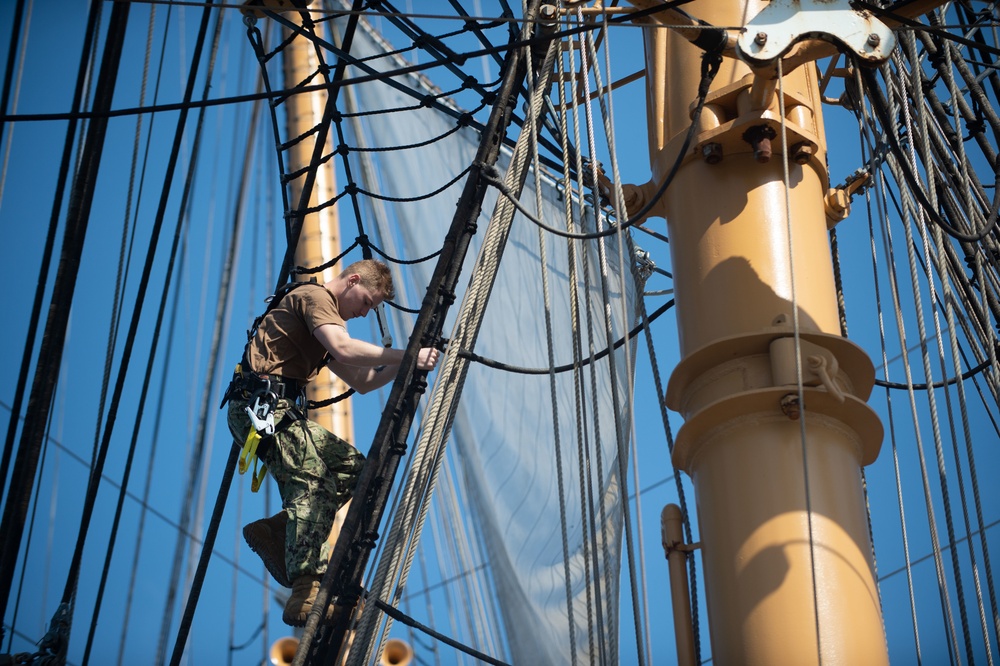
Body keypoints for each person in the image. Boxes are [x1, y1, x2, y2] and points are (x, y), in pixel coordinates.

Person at [224, 259, 440, 626]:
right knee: (314, 482)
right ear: (353, 280)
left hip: (278, 412)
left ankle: (282, 531)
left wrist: (412, 364)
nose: (365, 312)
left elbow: (365, 380)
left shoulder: (322, 323)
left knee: (356, 471)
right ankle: (304, 595)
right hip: (258, 408)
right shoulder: (315, 297)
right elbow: (343, 348)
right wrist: (409, 355)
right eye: (367, 302)